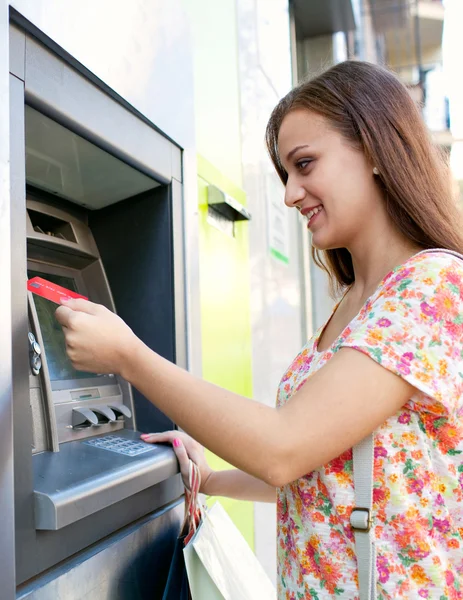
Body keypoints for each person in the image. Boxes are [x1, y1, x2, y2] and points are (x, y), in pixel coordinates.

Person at [55, 61, 463, 599]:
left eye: (305, 164)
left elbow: (283, 447)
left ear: (376, 151)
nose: (291, 194)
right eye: (286, 175)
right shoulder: (358, 305)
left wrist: (129, 356)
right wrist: (209, 478)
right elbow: (320, 470)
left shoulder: (432, 286)